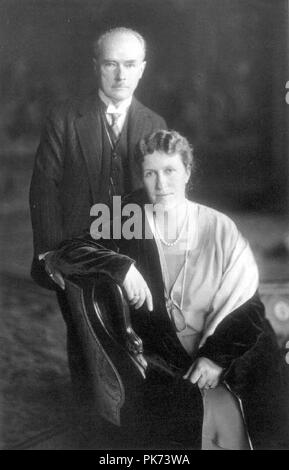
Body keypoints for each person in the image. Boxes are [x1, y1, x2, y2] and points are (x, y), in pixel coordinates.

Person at [47, 130, 289, 449]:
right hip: (167, 356)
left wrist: (216, 358)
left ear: (187, 172)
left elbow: (249, 305)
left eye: (170, 171)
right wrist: (121, 266)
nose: (161, 184)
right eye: (150, 173)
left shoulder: (218, 227)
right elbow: (68, 250)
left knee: (267, 414)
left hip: (226, 344)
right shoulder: (127, 217)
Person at [29, 27, 166, 395]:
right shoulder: (65, 118)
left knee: (134, 334)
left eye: (130, 65)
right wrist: (49, 252)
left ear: (142, 69)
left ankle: (134, 415)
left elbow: (163, 196)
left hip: (133, 246)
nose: (121, 75)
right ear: (96, 67)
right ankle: (88, 420)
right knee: (85, 335)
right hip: (76, 246)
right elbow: (44, 186)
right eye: (111, 64)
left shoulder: (154, 125)